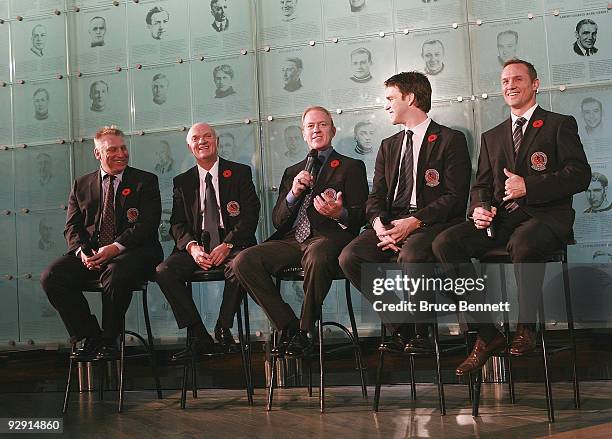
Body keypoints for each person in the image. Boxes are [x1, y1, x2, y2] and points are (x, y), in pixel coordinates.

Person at [432, 59, 590, 375]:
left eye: (518, 79)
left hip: (545, 218)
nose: (510, 85)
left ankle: (526, 327)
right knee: (445, 243)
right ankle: (487, 334)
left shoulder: (559, 124)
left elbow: (579, 175)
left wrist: (527, 186)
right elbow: (481, 185)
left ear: (535, 84)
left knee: (525, 243)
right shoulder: (492, 136)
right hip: (502, 221)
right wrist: (479, 207)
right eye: (505, 81)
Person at [339, 71, 471, 352]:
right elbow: (375, 197)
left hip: (431, 222)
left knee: (413, 253)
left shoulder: (450, 140)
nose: (386, 105)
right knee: (351, 256)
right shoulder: (389, 146)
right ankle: (401, 326)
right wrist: (378, 226)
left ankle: (423, 334)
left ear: (410, 98)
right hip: (391, 222)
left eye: (390, 98)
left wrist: (414, 222)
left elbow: (455, 199)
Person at [233, 106, 369, 357]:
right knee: (243, 260)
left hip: (328, 239)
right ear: (304, 134)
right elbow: (277, 220)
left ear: (333, 130)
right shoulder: (293, 172)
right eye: (310, 126)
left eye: (322, 124)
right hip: (293, 241)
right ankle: (289, 326)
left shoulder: (351, 166)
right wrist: (293, 194)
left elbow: (361, 216)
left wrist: (339, 213)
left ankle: (307, 330)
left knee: (317, 255)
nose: (316, 129)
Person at [41, 126, 163, 360]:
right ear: (98, 154)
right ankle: (89, 335)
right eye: (113, 150)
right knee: (52, 276)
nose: (121, 154)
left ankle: (110, 340)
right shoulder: (81, 184)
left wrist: (114, 248)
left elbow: (147, 226)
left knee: (116, 272)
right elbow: (72, 227)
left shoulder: (145, 181)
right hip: (93, 254)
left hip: (133, 252)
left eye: (124, 148)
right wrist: (82, 253)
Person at [155, 122, 260, 358]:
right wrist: (192, 248)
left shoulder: (239, 172)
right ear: (189, 146)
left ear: (216, 141)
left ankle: (223, 327)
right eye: (196, 138)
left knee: (241, 264)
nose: (202, 141)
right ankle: (198, 335)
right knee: (164, 271)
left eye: (207, 136)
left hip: (233, 244)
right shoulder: (182, 181)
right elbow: (177, 223)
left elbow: (251, 214)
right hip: (197, 246)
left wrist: (229, 243)